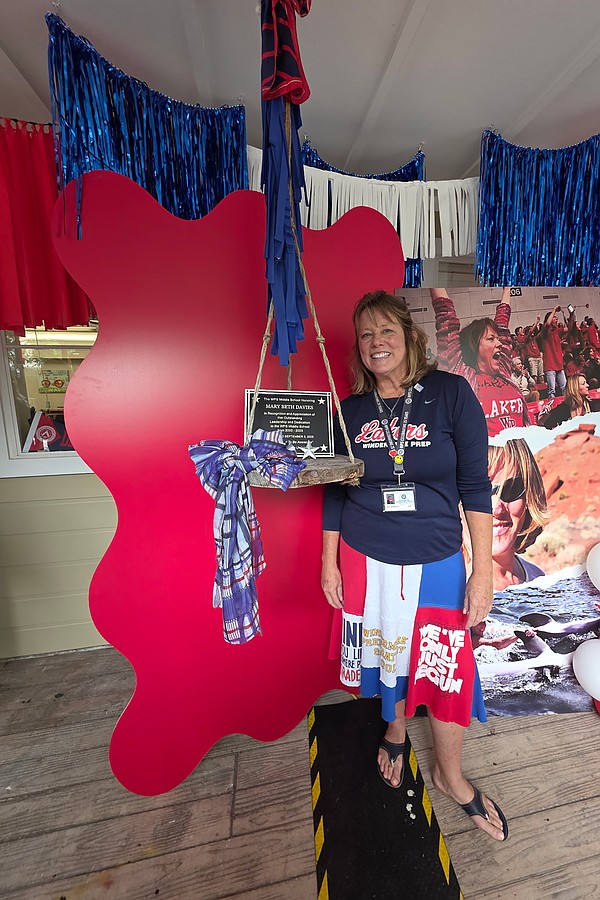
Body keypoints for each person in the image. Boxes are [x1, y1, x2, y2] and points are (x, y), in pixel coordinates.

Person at [321, 290, 507, 841]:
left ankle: (451, 777)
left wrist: (482, 573)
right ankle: (396, 730)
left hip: (436, 558)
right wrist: (329, 563)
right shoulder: (350, 410)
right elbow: (334, 491)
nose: (376, 343)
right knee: (387, 653)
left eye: (386, 331)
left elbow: (475, 486)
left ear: (409, 336)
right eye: (366, 334)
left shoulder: (450, 393)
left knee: (446, 670)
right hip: (364, 558)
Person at [431, 287, 528, 436]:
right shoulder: (462, 377)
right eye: (491, 339)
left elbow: (502, 324)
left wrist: (507, 288)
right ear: (474, 346)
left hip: (522, 449)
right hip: (487, 451)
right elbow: (446, 317)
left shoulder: (502, 369)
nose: (499, 343)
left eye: (498, 338)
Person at [487, 440, 548, 590]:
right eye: (476, 491)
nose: (497, 510)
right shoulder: (437, 588)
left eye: (511, 489)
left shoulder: (538, 580)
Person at [539, 306, 566, 399]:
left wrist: (571, 315)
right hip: (550, 366)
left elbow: (569, 329)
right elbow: (547, 323)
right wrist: (554, 310)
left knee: (564, 388)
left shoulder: (557, 331)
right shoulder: (545, 331)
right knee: (552, 391)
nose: (556, 319)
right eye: (554, 317)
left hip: (559, 365)